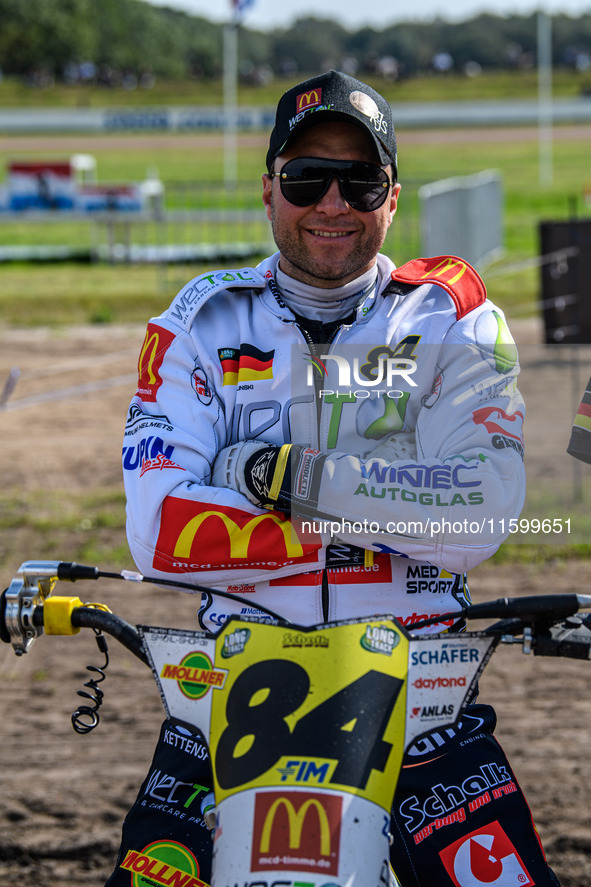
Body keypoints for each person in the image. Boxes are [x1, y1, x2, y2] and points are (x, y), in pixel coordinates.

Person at [109, 71, 559, 885]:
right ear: (268, 190)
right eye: (305, 176)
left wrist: (276, 476)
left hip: (423, 702)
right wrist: (391, 514)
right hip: (226, 701)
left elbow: (483, 510)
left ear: (392, 196)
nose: (331, 202)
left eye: (360, 179)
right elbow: (159, 531)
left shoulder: (453, 318)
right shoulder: (197, 321)